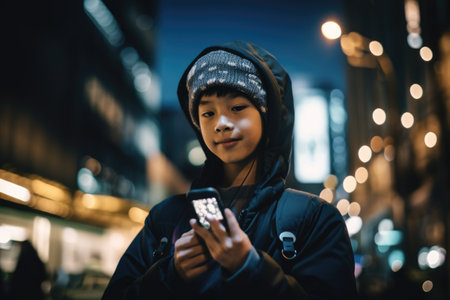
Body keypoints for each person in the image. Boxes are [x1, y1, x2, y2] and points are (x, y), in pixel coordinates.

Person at [102, 41, 358, 299]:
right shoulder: (165, 219)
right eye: (207, 113)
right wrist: (170, 273)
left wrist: (251, 267)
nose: (221, 124)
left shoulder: (313, 218)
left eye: (237, 108)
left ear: (267, 115)